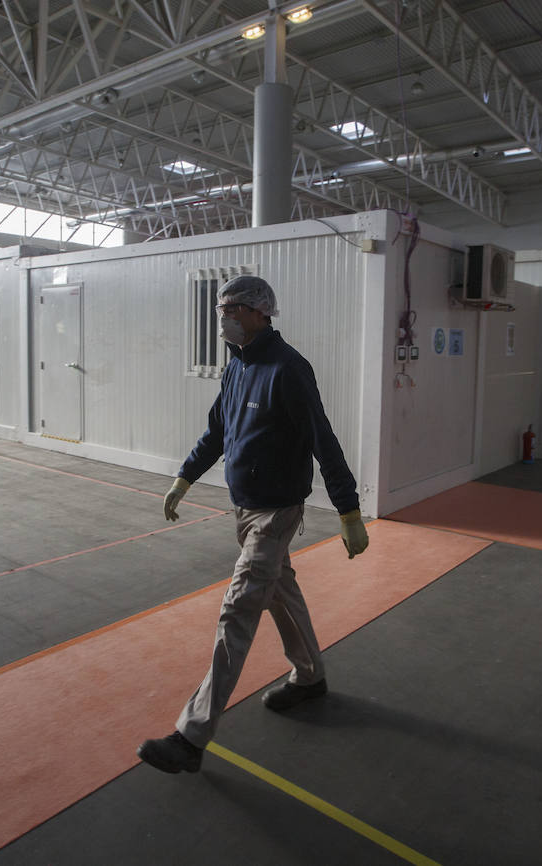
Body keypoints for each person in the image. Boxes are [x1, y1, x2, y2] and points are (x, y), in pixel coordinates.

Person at [137, 275, 369, 775]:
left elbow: (322, 440)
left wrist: (349, 512)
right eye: (221, 308)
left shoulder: (288, 369)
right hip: (244, 507)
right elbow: (218, 430)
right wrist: (184, 478)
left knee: (238, 607)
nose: (223, 316)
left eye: (232, 308)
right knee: (281, 593)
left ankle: (190, 736)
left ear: (260, 312)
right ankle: (310, 677)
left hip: (278, 511)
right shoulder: (236, 368)